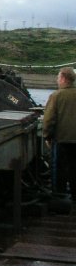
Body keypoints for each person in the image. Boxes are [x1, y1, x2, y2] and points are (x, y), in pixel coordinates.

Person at [43, 67, 76, 200]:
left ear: (63, 78)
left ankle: (59, 197)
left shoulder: (56, 96)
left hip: (62, 139)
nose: (57, 80)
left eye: (58, 77)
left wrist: (47, 136)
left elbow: (49, 119)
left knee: (59, 169)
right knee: (74, 168)